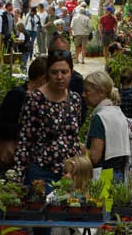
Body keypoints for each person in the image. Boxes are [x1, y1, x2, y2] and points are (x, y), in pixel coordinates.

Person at [13, 52, 85, 190]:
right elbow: (24, 141)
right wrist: (18, 177)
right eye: (54, 72)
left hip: (71, 173)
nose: (59, 77)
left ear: (71, 72)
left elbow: (74, 137)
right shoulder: (35, 100)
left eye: (64, 72)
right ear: (47, 74)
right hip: (42, 172)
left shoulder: (75, 99)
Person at [0, 57, 46, 175]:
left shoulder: (41, 98)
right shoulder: (18, 95)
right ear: (42, 79)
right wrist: (28, 128)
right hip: (5, 161)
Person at [82, 66, 132, 182]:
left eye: (87, 91)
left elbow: (94, 157)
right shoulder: (118, 112)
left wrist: (78, 147)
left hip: (103, 177)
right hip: (120, 176)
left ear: (101, 92)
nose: (84, 95)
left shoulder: (99, 118)